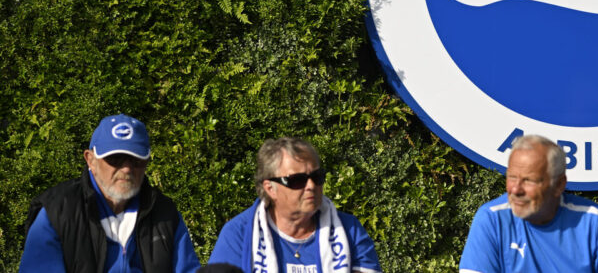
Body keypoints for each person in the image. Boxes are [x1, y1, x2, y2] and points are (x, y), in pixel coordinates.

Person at [20, 113, 201, 273]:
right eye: (114, 159)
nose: (126, 168)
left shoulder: (165, 213)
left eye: (136, 160)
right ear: (90, 160)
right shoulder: (57, 213)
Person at [459, 135, 598, 273]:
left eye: (529, 180)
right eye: (512, 177)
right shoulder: (491, 219)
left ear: (559, 185)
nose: (516, 189)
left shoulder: (594, 221)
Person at [208, 137, 380, 273]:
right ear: (270, 188)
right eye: (297, 180)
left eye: (317, 176)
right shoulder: (239, 234)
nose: (311, 186)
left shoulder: (349, 229)